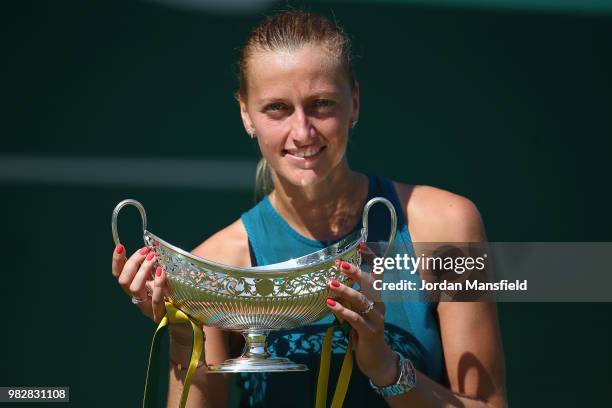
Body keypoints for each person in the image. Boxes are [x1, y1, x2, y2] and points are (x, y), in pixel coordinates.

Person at [112, 10, 506, 408]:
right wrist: (184, 335)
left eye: (321, 104)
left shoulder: (447, 227)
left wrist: (386, 368)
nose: (302, 132)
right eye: (277, 108)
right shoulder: (214, 266)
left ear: (354, 103)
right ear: (247, 114)